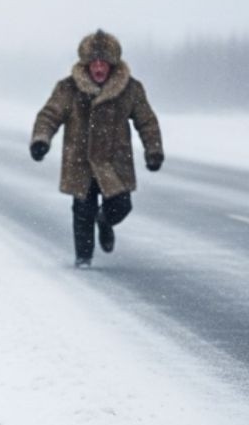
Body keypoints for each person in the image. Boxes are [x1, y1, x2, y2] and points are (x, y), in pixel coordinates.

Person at [30, 30, 164, 267]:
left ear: (113, 65)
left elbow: (146, 120)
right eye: (94, 63)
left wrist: (153, 151)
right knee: (82, 210)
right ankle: (83, 258)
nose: (99, 68)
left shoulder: (130, 89)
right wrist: (41, 139)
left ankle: (104, 221)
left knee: (122, 205)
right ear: (86, 64)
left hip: (115, 161)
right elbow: (50, 115)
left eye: (104, 63)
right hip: (80, 160)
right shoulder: (68, 89)